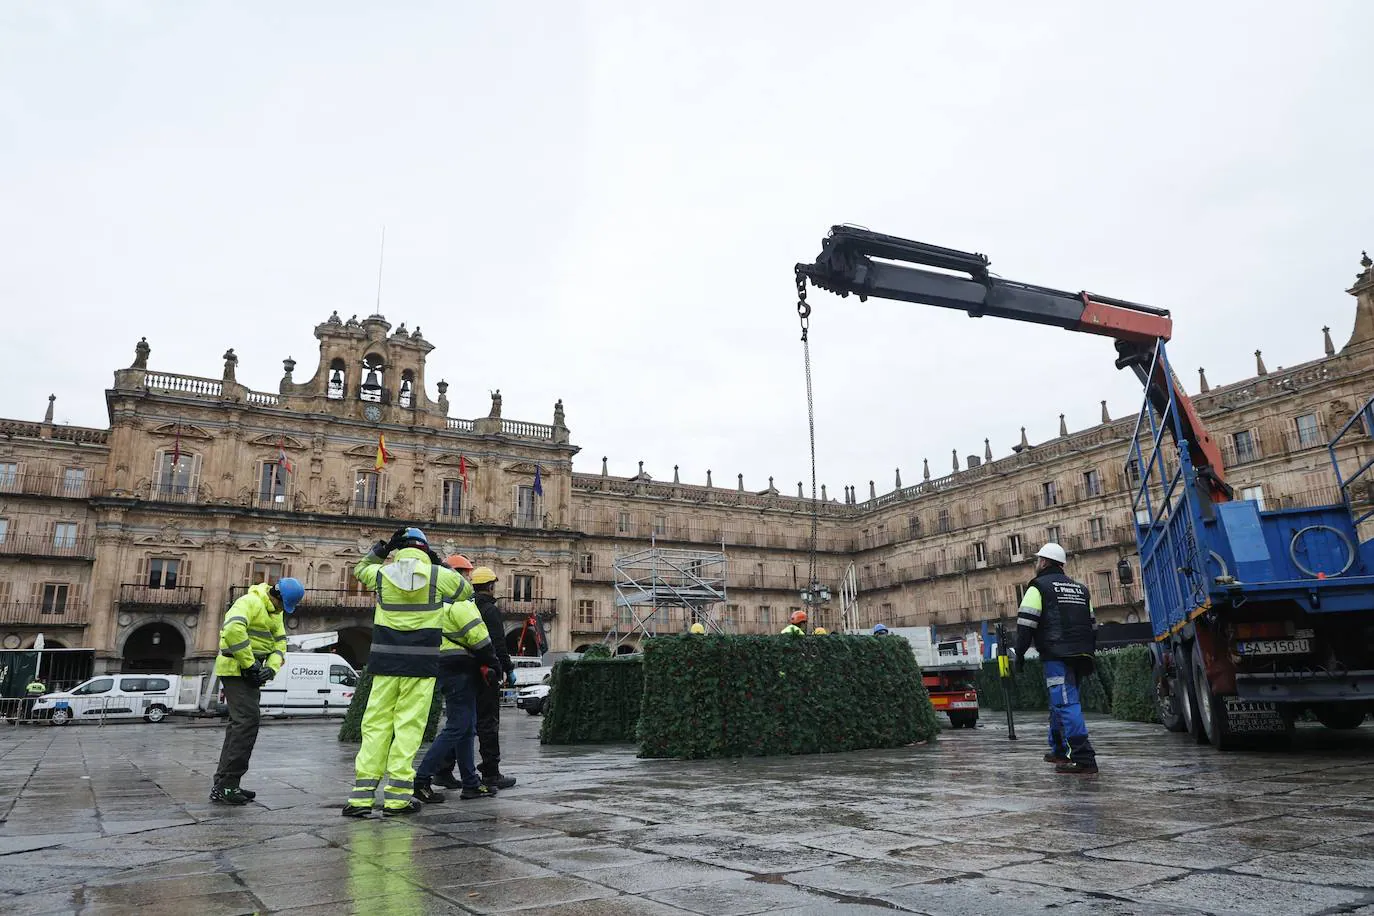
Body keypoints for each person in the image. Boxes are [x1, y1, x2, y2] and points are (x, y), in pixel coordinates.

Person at [343, 528, 475, 817]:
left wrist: (382, 549)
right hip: (421, 664)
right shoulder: (438, 576)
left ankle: (361, 798)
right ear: (425, 549)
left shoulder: (383, 574)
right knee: (408, 727)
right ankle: (397, 799)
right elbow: (466, 590)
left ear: (398, 549)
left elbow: (360, 569)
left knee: (375, 725)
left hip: (384, 663)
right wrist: (438, 563)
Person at [414, 560, 503, 803]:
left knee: (466, 727)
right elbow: (480, 637)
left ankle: (471, 783)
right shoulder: (461, 603)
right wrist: (495, 664)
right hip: (461, 667)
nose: (467, 580)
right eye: (465, 575)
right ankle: (421, 779)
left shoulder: (435, 604)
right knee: (457, 726)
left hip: (443, 664)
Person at [211, 576, 304, 804]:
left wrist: (270, 669)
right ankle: (227, 785)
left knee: (239, 725)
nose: (283, 610)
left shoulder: (275, 612)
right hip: (235, 669)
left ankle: (226, 782)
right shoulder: (248, 602)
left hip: (250, 672)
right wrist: (249, 663)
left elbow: (280, 644)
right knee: (246, 724)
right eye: (284, 605)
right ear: (278, 596)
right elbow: (233, 631)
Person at [1016, 542, 1099, 775]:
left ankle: (1084, 758)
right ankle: (1060, 750)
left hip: (1056, 655)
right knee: (1059, 704)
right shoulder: (1081, 589)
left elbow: (1025, 624)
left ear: (1043, 562)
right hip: (1082, 655)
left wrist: (1019, 654)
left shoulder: (1038, 587)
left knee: (1065, 703)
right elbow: (1093, 626)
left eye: (1037, 560)